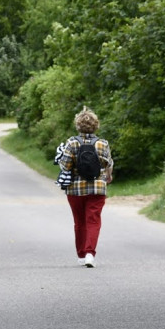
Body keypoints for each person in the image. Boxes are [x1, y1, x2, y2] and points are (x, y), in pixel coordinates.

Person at [58, 106, 113, 267]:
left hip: (75, 189)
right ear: (96, 125)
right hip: (97, 188)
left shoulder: (72, 142)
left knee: (79, 221)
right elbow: (109, 164)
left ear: (78, 125)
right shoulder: (103, 143)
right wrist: (108, 177)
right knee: (93, 220)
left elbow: (65, 166)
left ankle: (81, 255)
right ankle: (90, 253)